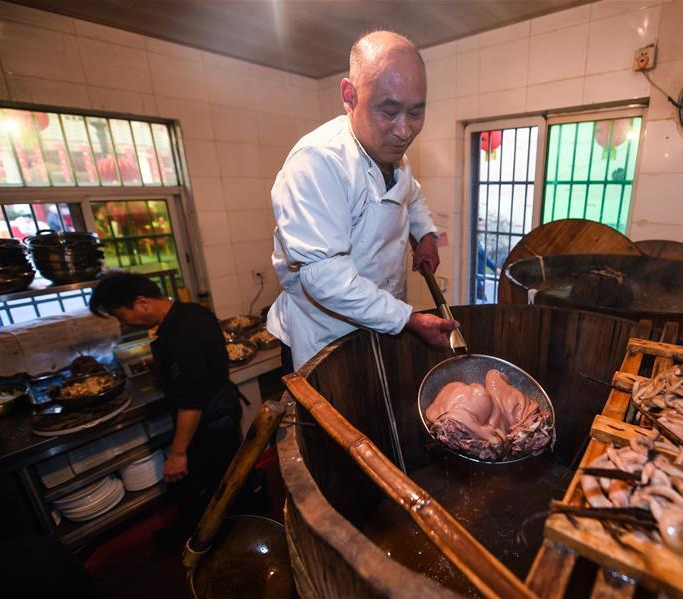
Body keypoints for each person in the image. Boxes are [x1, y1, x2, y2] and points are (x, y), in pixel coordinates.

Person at [268, 30, 458, 372]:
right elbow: (325, 277)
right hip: (327, 339)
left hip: (381, 322)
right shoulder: (318, 162)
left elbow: (410, 194)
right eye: (389, 111)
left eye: (416, 112)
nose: (404, 131)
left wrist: (426, 234)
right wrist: (408, 320)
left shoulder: (392, 153)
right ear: (349, 95)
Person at [89, 272, 245, 534]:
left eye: (120, 315)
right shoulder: (192, 311)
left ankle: (221, 538)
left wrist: (178, 453)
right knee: (228, 476)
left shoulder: (179, 333)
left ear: (142, 302)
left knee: (215, 487)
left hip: (209, 421)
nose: (122, 323)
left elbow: (192, 402)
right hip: (222, 410)